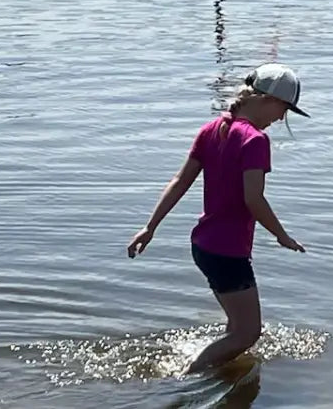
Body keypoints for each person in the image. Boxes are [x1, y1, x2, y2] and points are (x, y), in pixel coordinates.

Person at [126, 64, 309, 373]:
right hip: (228, 251)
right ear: (267, 100)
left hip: (204, 246)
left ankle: (221, 375)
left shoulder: (211, 129)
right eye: (284, 109)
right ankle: (186, 381)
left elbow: (179, 181)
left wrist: (150, 226)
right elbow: (254, 199)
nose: (281, 118)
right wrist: (282, 235)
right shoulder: (255, 141)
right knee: (249, 332)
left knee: (236, 326)